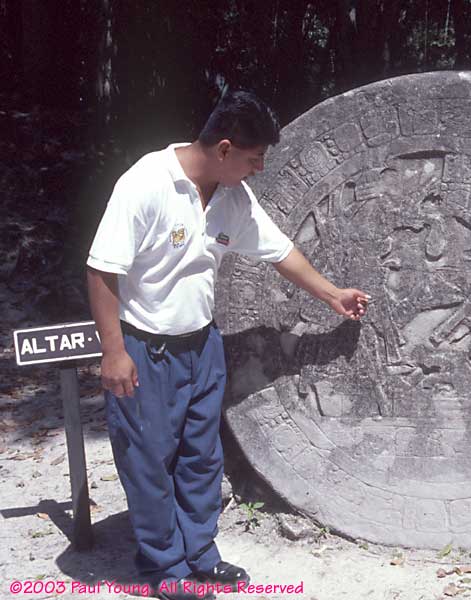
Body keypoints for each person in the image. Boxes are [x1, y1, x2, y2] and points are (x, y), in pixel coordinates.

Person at [86, 91, 370, 600]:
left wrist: (333, 295)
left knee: (201, 456)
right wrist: (113, 351)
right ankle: (164, 566)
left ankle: (200, 553)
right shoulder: (145, 184)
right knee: (149, 461)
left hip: (201, 345)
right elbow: (102, 269)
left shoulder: (231, 196)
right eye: (254, 158)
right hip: (144, 349)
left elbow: (279, 250)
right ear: (223, 148)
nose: (259, 168)